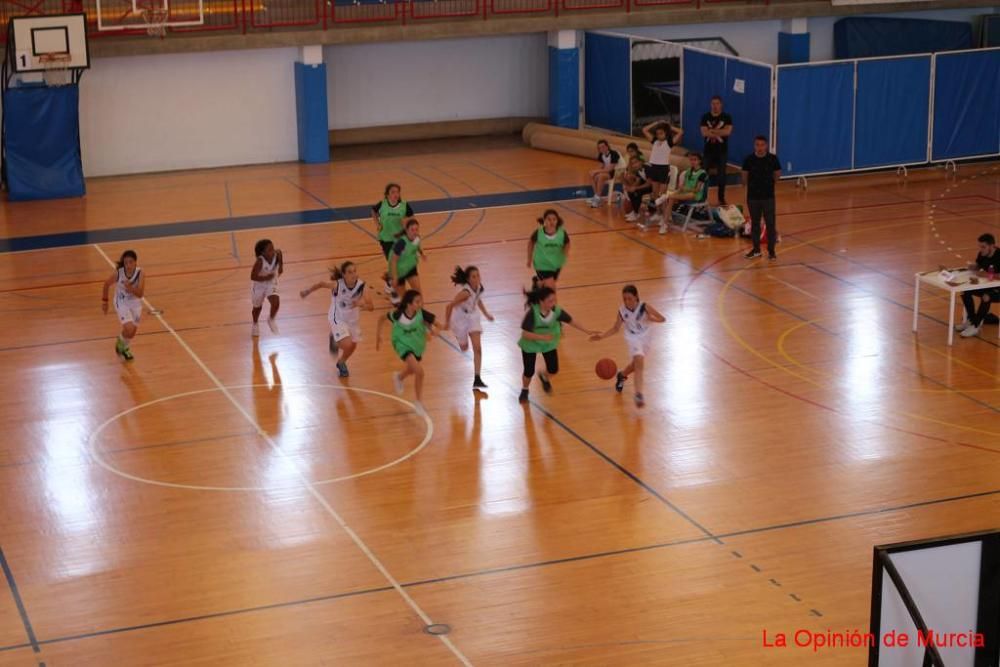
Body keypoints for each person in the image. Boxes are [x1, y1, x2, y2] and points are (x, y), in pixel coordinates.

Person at [517, 286, 597, 404]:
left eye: (554, 300)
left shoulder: (556, 311)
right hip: (531, 343)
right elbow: (525, 334)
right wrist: (542, 337)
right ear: (541, 301)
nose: (553, 303)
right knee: (529, 371)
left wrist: (588, 331)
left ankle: (544, 377)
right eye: (550, 301)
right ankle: (525, 390)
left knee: (553, 369)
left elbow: (571, 321)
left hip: (548, 343)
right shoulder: (533, 313)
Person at [590, 285, 666, 407]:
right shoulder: (622, 311)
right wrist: (601, 336)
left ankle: (622, 375)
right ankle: (638, 395)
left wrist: (650, 318)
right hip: (632, 338)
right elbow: (615, 328)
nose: (626, 301)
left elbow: (662, 319)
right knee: (640, 361)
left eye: (629, 298)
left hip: (646, 336)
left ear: (636, 297)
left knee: (635, 365)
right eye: (624, 299)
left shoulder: (644, 307)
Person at [300, 261, 374, 377]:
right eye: (350, 272)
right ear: (343, 274)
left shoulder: (362, 286)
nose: (353, 274)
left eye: (354, 271)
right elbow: (321, 284)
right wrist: (307, 291)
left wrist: (360, 303)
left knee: (353, 345)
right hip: (337, 317)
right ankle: (334, 338)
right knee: (347, 344)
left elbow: (371, 307)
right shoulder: (337, 285)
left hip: (352, 320)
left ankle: (341, 362)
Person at [375, 289, 441, 416]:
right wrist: (378, 336)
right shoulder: (397, 315)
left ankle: (399, 377)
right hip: (401, 344)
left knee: (412, 369)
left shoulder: (422, 314)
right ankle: (418, 403)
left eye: (420, 301)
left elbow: (439, 324)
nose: (420, 304)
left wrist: (435, 330)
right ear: (409, 304)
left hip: (417, 345)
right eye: (417, 302)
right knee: (419, 372)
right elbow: (381, 319)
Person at [444, 265, 495, 390]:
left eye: (478, 275)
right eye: (474, 276)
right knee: (464, 348)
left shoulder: (479, 287)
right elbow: (449, 307)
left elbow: (478, 300)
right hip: (460, 318)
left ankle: (477, 378)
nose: (477, 278)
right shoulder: (465, 293)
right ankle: (459, 337)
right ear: (468, 279)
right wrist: (446, 323)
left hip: (472, 316)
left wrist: (486, 314)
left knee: (478, 348)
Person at [646, 152, 708, 235]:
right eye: (691, 160)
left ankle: (665, 222)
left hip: (695, 195)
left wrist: (683, 189)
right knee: (670, 198)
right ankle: (666, 220)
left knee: (671, 197)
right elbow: (682, 187)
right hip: (684, 193)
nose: (693, 162)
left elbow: (697, 190)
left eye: (695, 160)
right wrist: (677, 191)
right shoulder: (689, 171)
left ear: (700, 161)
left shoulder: (702, 173)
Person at [372, 183, 414, 303]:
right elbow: (373, 211)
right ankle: (391, 283)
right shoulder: (382, 205)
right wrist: (377, 224)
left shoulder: (404, 205)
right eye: (393, 192)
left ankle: (393, 287)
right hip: (385, 239)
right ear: (387, 194)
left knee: (396, 264)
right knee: (393, 263)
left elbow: (412, 218)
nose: (396, 194)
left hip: (400, 239)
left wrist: (407, 225)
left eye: (397, 192)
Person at [741, 136, 782, 260]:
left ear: (766, 146)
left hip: (768, 197)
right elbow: (744, 176)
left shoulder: (772, 159)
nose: (760, 147)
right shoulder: (749, 159)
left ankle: (771, 251)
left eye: (762, 145)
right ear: (754, 146)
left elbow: (777, 174)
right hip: (753, 197)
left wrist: (769, 184)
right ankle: (756, 250)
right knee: (755, 224)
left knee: (770, 224)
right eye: (757, 145)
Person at [102, 249, 145, 361]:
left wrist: (130, 288)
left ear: (136, 262)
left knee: (132, 333)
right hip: (121, 302)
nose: (128, 265)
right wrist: (105, 301)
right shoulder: (119, 273)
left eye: (131, 262)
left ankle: (123, 343)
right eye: (126, 263)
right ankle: (122, 347)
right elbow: (106, 284)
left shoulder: (140, 273)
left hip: (135, 303)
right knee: (129, 328)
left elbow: (140, 294)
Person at [958, 233, 1000, 338]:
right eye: (980, 247)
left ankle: (976, 326)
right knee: (965, 291)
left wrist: (989, 275)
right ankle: (971, 320)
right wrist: (973, 267)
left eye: (984, 247)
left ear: (992, 246)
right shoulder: (982, 254)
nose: (981, 250)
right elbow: (978, 265)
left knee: (986, 296)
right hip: (989, 286)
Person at [700, 95, 733, 205]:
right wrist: (719, 131)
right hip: (708, 151)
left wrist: (712, 131)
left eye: (717, 103)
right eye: (713, 103)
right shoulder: (705, 117)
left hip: (721, 151)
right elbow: (704, 133)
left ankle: (721, 198)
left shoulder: (726, 117)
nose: (715, 106)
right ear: (710, 104)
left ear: (721, 104)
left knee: (721, 176)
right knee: (703, 175)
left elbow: (727, 132)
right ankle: (702, 197)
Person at [527, 209, 570, 289]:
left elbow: (567, 243)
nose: (552, 222)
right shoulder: (538, 233)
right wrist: (529, 259)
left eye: (554, 219)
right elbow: (530, 243)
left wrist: (564, 255)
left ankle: (537, 283)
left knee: (549, 283)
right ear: (544, 220)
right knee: (551, 288)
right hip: (541, 264)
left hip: (556, 264)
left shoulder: (562, 233)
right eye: (549, 219)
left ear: (557, 221)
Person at [642, 120, 683, 202]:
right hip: (654, 167)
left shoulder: (669, 142)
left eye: (661, 133)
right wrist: (656, 123)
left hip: (663, 169)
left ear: (666, 133)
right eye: (657, 134)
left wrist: (667, 126)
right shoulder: (655, 141)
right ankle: (658, 212)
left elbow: (681, 132)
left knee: (662, 194)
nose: (658, 135)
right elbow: (644, 130)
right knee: (655, 193)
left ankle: (663, 212)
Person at [250, 238, 283, 336]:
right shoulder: (260, 261)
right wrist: (266, 277)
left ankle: (271, 319)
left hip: (271, 283)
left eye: (272, 248)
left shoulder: (276, 254)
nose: (272, 251)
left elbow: (280, 253)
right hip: (259, 285)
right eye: (269, 250)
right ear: (262, 253)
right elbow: (253, 276)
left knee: (276, 302)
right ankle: (255, 324)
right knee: (257, 308)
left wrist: (281, 266)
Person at [388, 218, 427, 298]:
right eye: (412, 230)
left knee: (418, 294)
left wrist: (422, 253)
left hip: (410, 268)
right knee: (404, 298)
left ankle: (420, 310)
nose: (415, 232)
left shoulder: (417, 238)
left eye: (416, 229)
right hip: (399, 272)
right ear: (407, 230)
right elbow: (393, 261)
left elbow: (417, 245)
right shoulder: (401, 243)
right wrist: (395, 278)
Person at [588, 140, 622, 208]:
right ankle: (597, 196)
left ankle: (597, 198)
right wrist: (594, 171)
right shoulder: (601, 155)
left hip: (615, 172)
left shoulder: (614, 153)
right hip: (606, 171)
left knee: (601, 176)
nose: (602, 149)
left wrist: (597, 171)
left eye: (603, 147)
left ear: (607, 146)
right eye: (600, 148)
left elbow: (611, 169)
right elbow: (600, 166)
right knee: (592, 174)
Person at [622, 157, 652, 224]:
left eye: (636, 162)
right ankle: (635, 212)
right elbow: (638, 181)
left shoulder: (647, 169)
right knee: (631, 192)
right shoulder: (637, 170)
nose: (634, 165)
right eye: (632, 164)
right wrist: (631, 187)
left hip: (652, 187)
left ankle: (636, 213)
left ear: (640, 162)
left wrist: (636, 188)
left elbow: (648, 184)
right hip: (645, 186)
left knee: (637, 192)